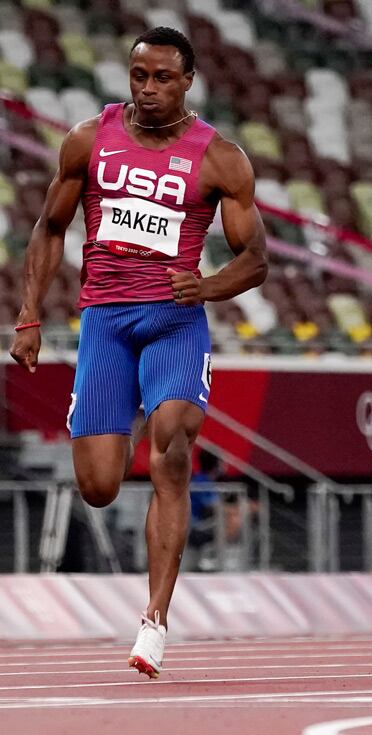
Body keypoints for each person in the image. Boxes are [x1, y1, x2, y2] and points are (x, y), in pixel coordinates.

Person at [8, 27, 267, 677]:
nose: (148, 89)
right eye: (138, 77)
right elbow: (50, 227)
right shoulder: (88, 139)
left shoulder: (221, 159)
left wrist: (205, 286)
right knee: (97, 483)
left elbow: (255, 259)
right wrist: (30, 314)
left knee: (172, 448)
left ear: (188, 82)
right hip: (106, 321)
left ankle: (154, 619)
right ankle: (112, 416)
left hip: (176, 322)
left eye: (161, 79)